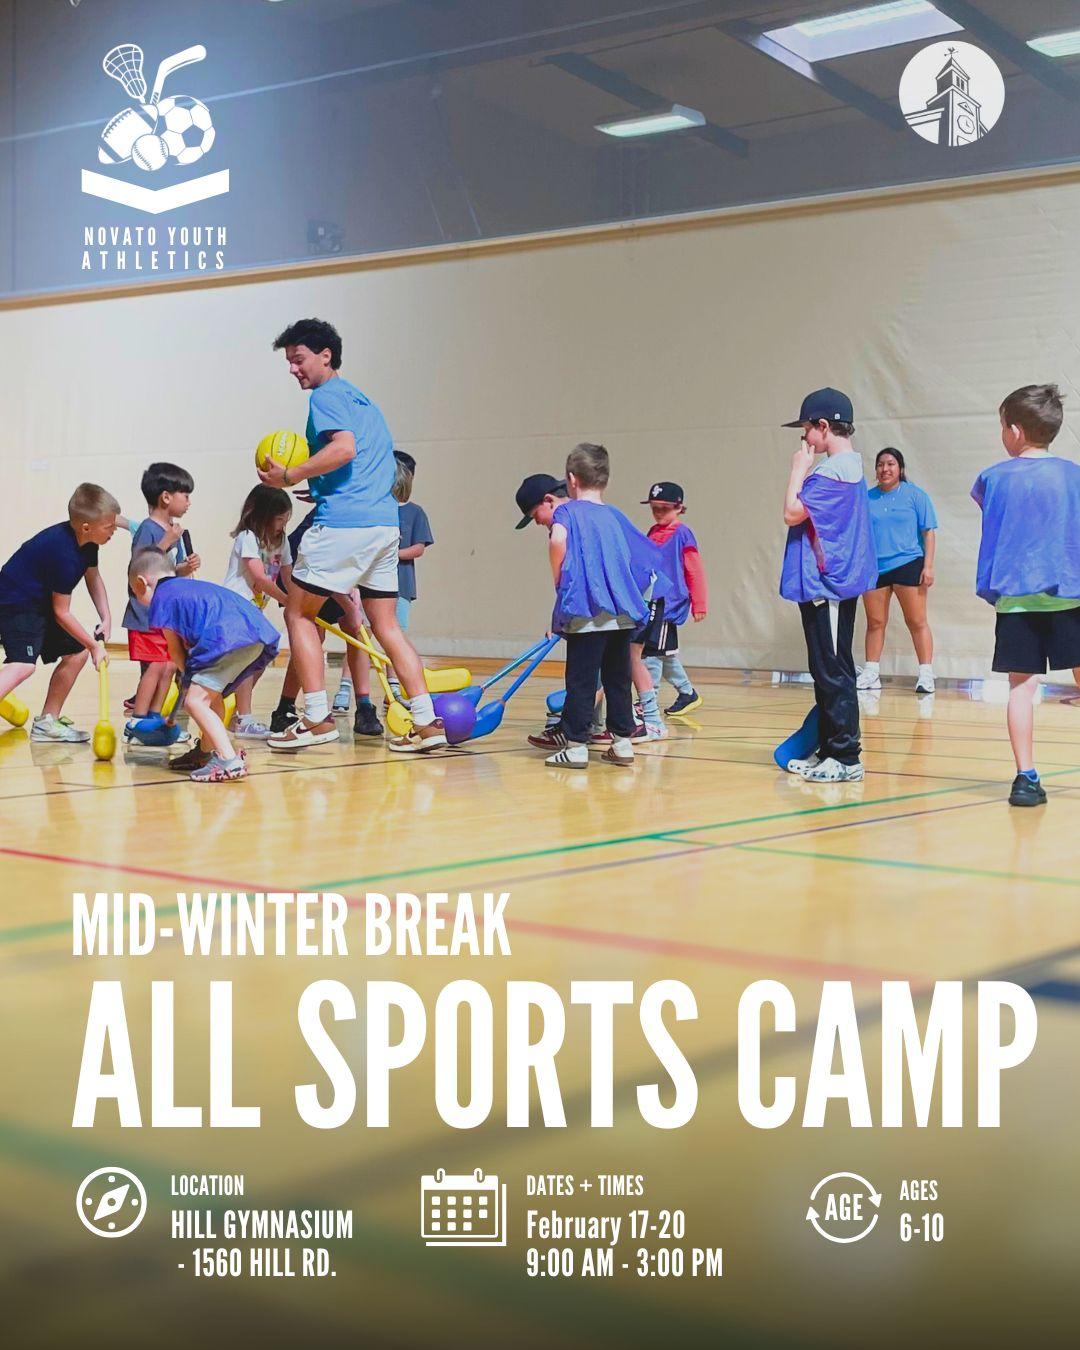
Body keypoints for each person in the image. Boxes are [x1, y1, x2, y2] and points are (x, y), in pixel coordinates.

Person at [257, 318, 445, 753]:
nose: (293, 369)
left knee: (299, 615)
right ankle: (425, 721)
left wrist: (290, 474)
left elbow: (343, 449)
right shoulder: (364, 401)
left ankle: (316, 718)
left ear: (326, 356)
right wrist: (322, 485)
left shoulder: (325, 397)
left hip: (344, 525)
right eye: (289, 362)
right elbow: (366, 461)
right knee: (387, 625)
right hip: (383, 524)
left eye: (298, 359)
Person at [972, 383, 1080, 808]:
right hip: (1070, 595)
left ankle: (1026, 777)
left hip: (1017, 600)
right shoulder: (1074, 475)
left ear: (1015, 431)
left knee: (1021, 687)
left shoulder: (993, 477)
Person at [780, 388, 878, 782]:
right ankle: (828, 751)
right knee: (826, 667)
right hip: (825, 585)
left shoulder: (834, 472)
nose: (804, 438)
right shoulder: (847, 468)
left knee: (834, 670)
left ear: (823, 426)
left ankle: (846, 756)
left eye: (806, 429)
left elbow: (792, 512)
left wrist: (798, 469)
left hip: (829, 586)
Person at [130, 549, 280, 782]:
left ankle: (228, 759)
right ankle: (205, 752)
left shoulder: (162, 598)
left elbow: (175, 650)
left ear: (141, 584)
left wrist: (187, 678)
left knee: (195, 701)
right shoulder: (185, 588)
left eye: (135, 593)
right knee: (211, 699)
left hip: (228, 639)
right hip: (253, 634)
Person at [540, 443, 646, 769]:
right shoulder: (615, 515)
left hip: (587, 612)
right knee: (618, 679)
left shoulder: (567, 512)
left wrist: (560, 578)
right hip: (622, 612)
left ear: (572, 479)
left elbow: (558, 540)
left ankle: (575, 747)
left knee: (581, 681)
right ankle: (622, 743)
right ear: (605, 480)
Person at [0, 484, 119, 742]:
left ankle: (47, 723)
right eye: (109, 526)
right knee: (23, 665)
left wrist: (106, 617)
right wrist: (94, 646)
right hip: (15, 602)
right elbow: (61, 612)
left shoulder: (88, 544)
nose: (114, 530)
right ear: (86, 527)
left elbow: (93, 577)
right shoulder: (63, 553)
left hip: (38, 602)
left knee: (77, 653)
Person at [271, 501, 383, 740]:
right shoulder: (334, 521)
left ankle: (364, 707)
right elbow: (322, 567)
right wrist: (348, 605)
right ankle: (285, 708)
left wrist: (356, 592)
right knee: (310, 632)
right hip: (307, 573)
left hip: (338, 576)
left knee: (356, 630)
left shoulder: (373, 520)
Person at [122, 463, 200, 740]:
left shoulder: (171, 530)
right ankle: (137, 720)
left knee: (169, 664)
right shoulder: (149, 529)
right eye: (185, 495)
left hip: (164, 614)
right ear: (166, 497)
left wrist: (183, 569)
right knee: (155, 665)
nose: (188, 502)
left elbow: (164, 571)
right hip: (145, 614)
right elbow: (140, 566)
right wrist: (166, 541)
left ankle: (154, 717)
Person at [858, 448, 938, 694]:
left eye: (890, 464)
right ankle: (871, 672)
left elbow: (929, 532)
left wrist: (928, 566)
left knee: (916, 621)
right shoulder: (867, 498)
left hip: (908, 563)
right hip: (875, 568)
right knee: (875, 622)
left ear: (900, 468)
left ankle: (926, 674)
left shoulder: (916, 495)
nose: (885, 469)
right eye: (880, 464)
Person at [222, 484, 293, 739]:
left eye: (286, 519)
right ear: (263, 515)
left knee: (265, 654)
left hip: (254, 608)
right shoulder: (248, 538)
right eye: (279, 519)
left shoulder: (282, 541)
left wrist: (298, 601)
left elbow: (288, 575)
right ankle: (245, 719)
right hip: (237, 605)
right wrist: (287, 600)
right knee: (248, 660)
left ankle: (238, 714)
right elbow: (260, 578)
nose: (283, 525)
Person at [641, 481, 708, 715]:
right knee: (663, 653)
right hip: (652, 602)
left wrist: (699, 603)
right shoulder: (652, 532)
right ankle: (687, 693)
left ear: (679, 507)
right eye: (654, 508)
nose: (658, 513)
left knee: (652, 653)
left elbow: (694, 570)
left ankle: (648, 702)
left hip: (668, 605)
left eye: (664, 508)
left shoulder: (682, 534)